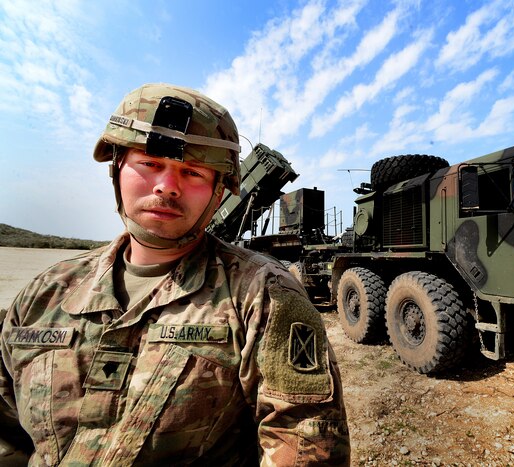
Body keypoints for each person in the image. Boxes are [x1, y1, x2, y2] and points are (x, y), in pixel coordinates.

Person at [0, 83, 350, 466]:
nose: (167, 186)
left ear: (219, 191)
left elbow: (305, 443)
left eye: (193, 171)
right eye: (149, 164)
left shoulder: (260, 296)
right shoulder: (43, 294)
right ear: (117, 167)